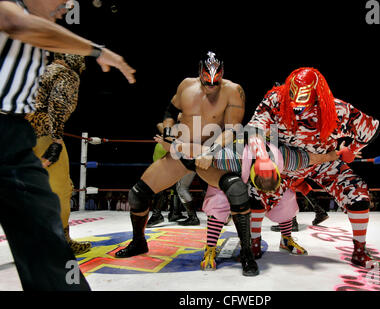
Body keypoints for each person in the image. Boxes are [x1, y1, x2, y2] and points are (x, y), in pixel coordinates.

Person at [0, 0, 135, 290]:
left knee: (40, 234)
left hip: (16, 135)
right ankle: (64, 238)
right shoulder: (15, 14)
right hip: (18, 134)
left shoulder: (39, 48)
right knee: (57, 195)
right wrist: (97, 49)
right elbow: (57, 108)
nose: (67, 5)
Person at [116, 51, 259, 276]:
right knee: (137, 194)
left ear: (221, 76)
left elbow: (232, 129)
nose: (211, 86)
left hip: (211, 156)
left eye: (215, 82)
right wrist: (169, 130)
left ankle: (247, 254)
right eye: (207, 82)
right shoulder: (186, 85)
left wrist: (210, 151)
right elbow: (170, 111)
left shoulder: (233, 90)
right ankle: (138, 242)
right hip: (182, 152)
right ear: (199, 74)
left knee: (237, 190)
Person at [246, 67, 380, 270]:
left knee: (358, 194)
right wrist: (261, 157)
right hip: (288, 161)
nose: (297, 111)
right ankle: (254, 243)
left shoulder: (337, 109)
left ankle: (359, 251)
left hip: (323, 162)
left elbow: (371, 128)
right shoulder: (276, 99)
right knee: (257, 188)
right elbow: (254, 127)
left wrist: (352, 150)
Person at [200, 137, 338, 269]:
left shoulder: (286, 156)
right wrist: (206, 155)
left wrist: (334, 155)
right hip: (235, 174)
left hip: (261, 172)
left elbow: (313, 158)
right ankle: (210, 247)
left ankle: (286, 239)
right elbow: (199, 161)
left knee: (286, 196)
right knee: (218, 197)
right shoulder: (229, 157)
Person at [25, 53, 91, 255]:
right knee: (60, 189)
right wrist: (56, 139)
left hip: (14, 134)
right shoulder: (65, 74)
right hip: (41, 134)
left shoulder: (35, 70)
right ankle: (61, 241)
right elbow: (58, 103)